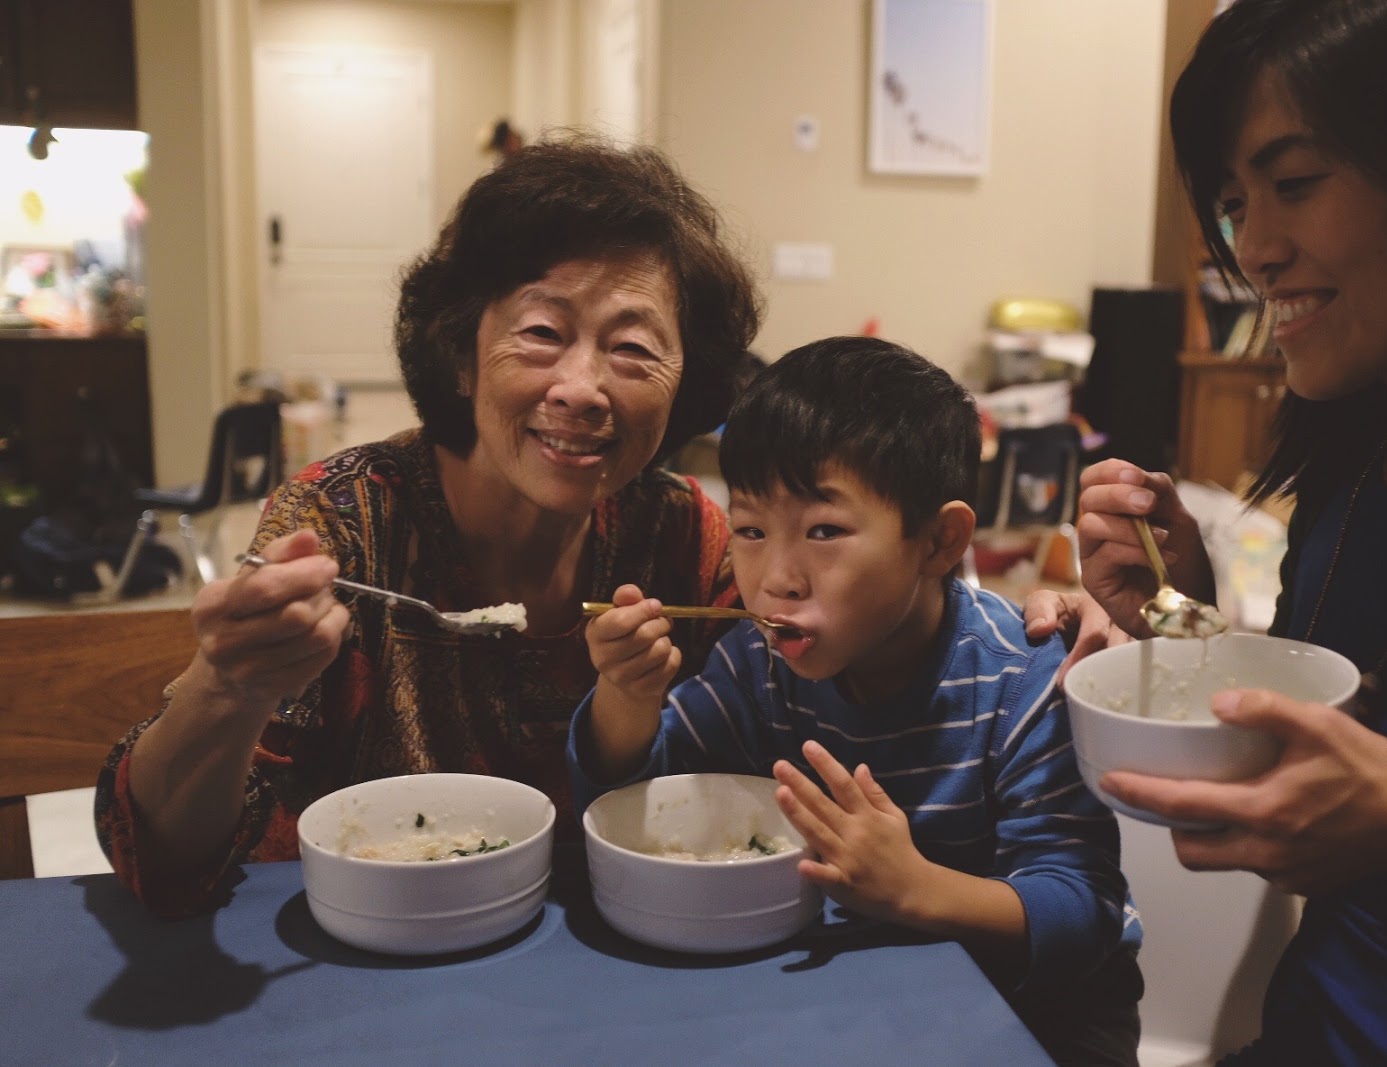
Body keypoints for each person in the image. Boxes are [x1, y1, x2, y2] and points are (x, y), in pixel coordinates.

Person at [1027, 0, 1387, 1061]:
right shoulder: (1357, 461)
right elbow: (1345, 732)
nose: (1255, 248)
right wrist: (1181, 615)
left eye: (1293, 184)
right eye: (1237, 203)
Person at [95, 134, 762, 917]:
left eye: (633, 348)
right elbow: (162, 859)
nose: (582, 388)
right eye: (543, 333)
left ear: (685, 388)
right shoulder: (341, 524)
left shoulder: (685, 533)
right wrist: (227, 687)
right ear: (460, 354)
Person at [572, 337, 1144, 1065]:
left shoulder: (1025, 679)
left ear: (940, 541)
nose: (776, 576)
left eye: (824, 531)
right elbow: (638, 807)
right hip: (863, 994)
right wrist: (626, 696)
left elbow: (1081, 911)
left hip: (1044, 1014)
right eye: (749, 529)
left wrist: (913, 888)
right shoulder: (758, 663)